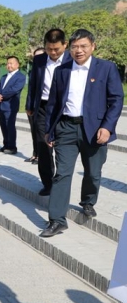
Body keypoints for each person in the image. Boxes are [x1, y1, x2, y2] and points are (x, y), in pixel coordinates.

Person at [40, 29, 123, 238]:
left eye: (84, 46)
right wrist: (49, 130)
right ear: (69, 48)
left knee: (93, 172)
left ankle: (88, 201)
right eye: (75, 46)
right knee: (62, 174)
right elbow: (53, 103)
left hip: (95, 130)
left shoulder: (106, 68)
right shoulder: (62, 70)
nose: (79, 50)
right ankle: (57, 220)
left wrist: (107, 127)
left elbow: (116, 100)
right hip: (66, 128)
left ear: (93, 46)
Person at [25, 30, 72, 196]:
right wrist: (30, 104)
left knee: (62, 147)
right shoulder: (39, 60)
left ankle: (61, 182)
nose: (53, 53)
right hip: (43, 108)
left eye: (56, 49)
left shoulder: (72, 59)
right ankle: (48, 183)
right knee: (43, 146)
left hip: (64, 108)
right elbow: (33, 84)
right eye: (49, 49)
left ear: (65, 45)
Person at [0, 56, 26, 155]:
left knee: (10, 126)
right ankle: (6, 145)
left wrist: (1, 96)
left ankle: (12, 147)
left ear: (17, 64)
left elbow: (14, 90)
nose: (9, 65)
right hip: (1, 105)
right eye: (8, 63)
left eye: (11, 63)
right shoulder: (4, 76)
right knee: (3, 126)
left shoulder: (20, 77)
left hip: (11, 106)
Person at [24, 47, 45, 164]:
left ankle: (41, 156)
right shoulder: (33, 71)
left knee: (41, 133)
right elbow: (30, 90)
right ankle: (35, 153)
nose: (37, 58)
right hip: (33, 106)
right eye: (35, 56)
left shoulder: (48, 70)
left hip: (43, 107)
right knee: (34, 131)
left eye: (40, 56)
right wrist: (29, 105)